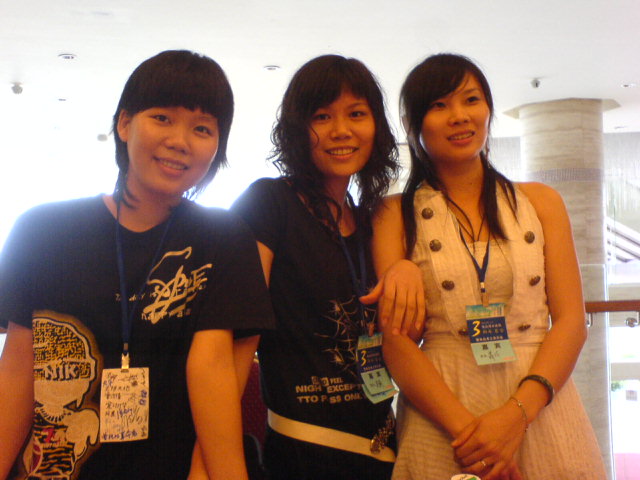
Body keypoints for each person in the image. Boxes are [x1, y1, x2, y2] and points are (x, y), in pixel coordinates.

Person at [0, 50, 274, 480]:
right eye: (162, 118)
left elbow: (218, 382)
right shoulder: (43, 230)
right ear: (124, 124)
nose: (180, 141)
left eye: (202, 128)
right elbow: (18, 371)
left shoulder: (224, 239)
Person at [371, 53, 606, 479]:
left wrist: (515, 416)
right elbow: (397, 342)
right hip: (443, 413)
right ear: (413, 122)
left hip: (539, 403)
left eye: (471, 100)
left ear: (488, 109)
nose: (459, 116)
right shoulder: (393, 214)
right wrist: (475, 438)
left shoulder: (541, 202)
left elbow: (572, 321)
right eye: (439, 105)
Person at [230, 54, 400, 479]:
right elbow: (235, 342)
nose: (341, 130)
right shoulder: (270, 203)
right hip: (304, 452)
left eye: (356, 114)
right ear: (296, 129)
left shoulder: (370, 222)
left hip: (384, 445)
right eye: (322, 116)